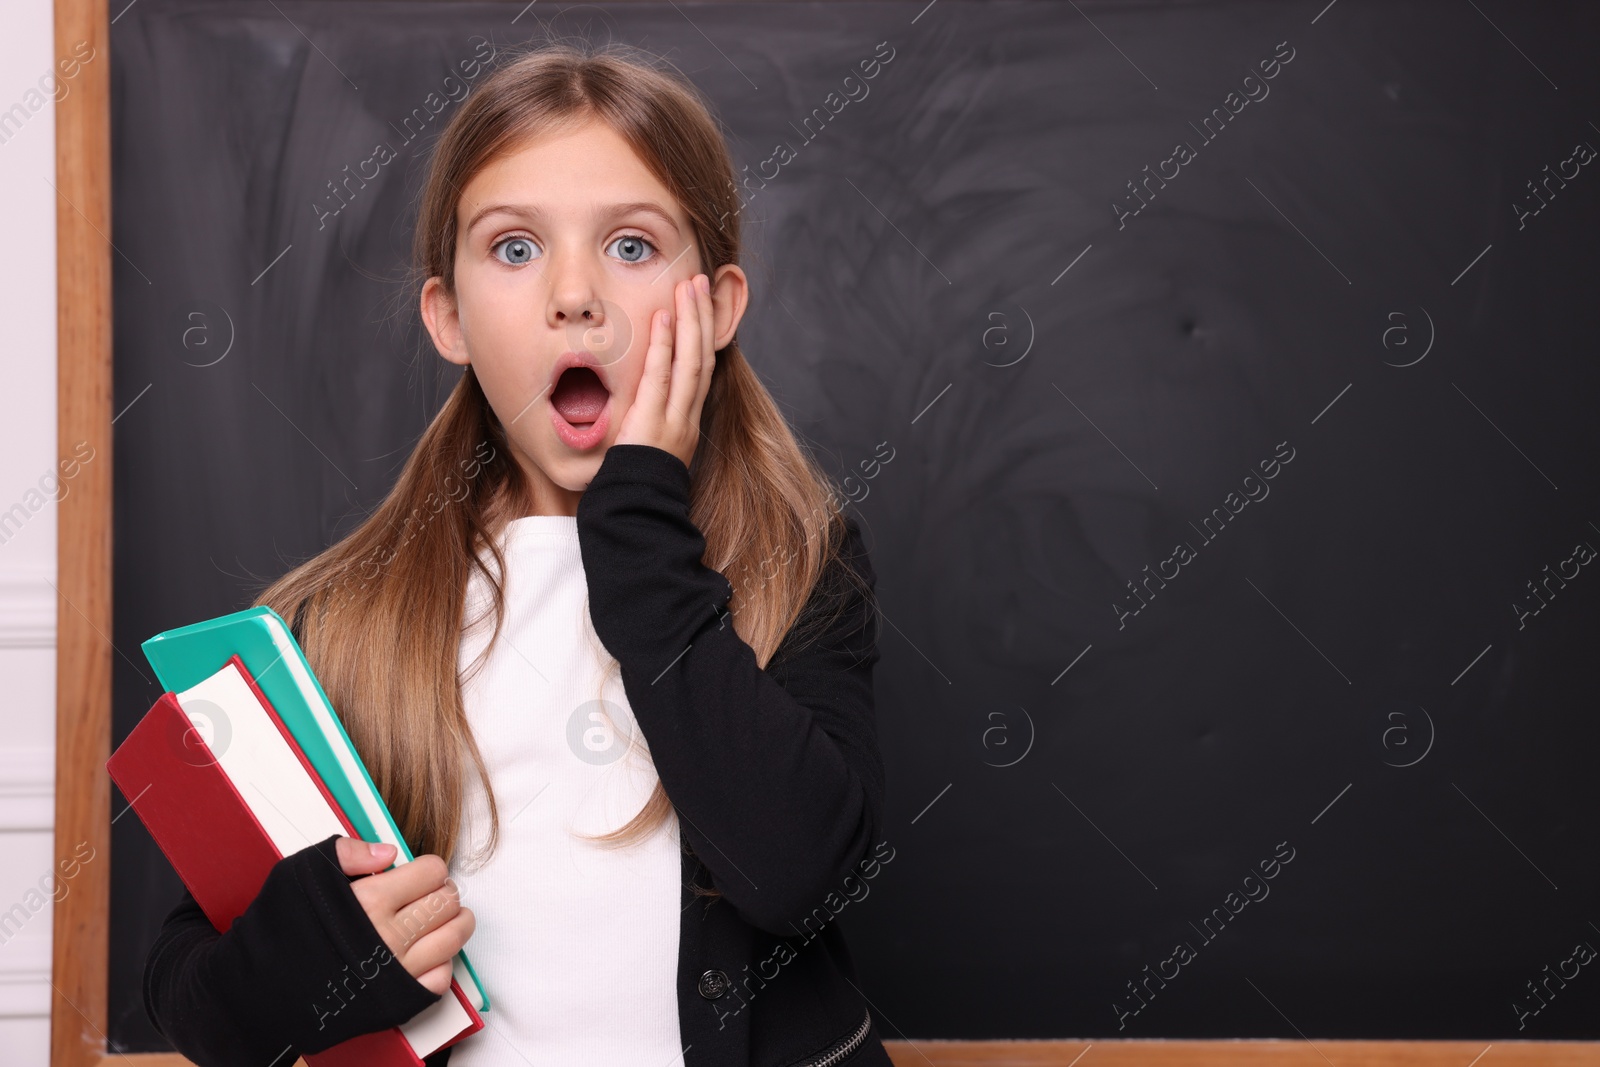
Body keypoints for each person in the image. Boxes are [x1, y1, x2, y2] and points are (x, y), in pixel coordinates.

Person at [140, 39, 893, 1067]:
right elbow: (192, 995)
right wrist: (315, 956)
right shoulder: (344, 620)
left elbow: (798, 871)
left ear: (714, 309)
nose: (573, 295)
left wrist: (639, 531)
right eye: (513, 248)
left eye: (630, 246)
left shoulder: (801, 563)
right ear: (448, 315)